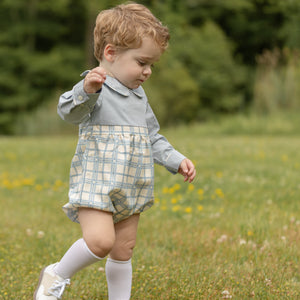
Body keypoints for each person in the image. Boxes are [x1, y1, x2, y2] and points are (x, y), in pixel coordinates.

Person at [34, 3, 196, 299]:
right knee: (100, 242)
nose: (147, 71)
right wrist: (87, 90)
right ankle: (56, 274)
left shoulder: (138, 96)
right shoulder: (96, 85)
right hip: (97, 184)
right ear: (111, 53)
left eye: (151, 65)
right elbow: (68, 111)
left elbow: (152, 137)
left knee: (124, 248)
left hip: (130, 185)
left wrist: (176, 159)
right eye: (142, 62)